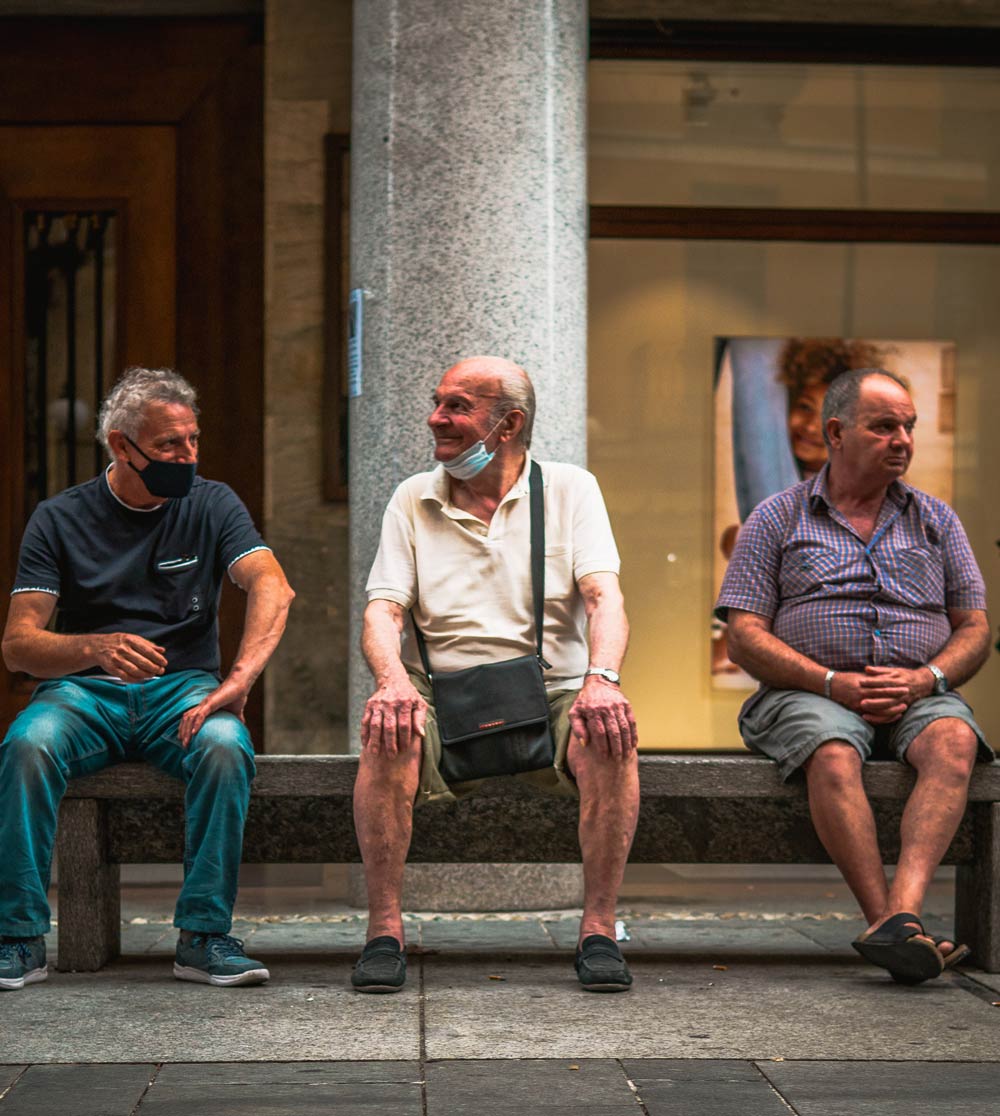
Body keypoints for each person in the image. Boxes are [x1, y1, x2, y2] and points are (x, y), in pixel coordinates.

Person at [0, 366, 294, 990]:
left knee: (224, 745)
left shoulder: (212, 503)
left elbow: (272, 583)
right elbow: (18, 646)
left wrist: (238, 681)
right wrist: (93, 648)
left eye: (191, 441)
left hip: (183, 689)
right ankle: (17, 938)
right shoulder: (58, 519)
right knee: (26, 744)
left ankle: (204, 936)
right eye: (168, 446)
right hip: (84, 694)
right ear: (119, 445)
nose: (185, 456)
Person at [352, 355, 639, 993]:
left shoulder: (569, 489)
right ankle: (383, 930)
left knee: (611, 732)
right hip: (439, 688)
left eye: (457, 407)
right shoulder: (412, 498)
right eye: (438, 402)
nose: (436, 418)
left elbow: (604, 598)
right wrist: (391, 680)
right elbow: (383, 609)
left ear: (507, 424)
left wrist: (603, 678)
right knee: (385, 730)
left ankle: (598, 928)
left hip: (553, 686)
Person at [716, 367, 992, 984]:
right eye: (884, 426)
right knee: (834, 750)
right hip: (810, 692)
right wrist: (829, 682)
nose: (902, 440)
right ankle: (887, 922)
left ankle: (902, 917)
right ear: (837, 433)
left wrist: (927, 680)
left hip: (916, 691)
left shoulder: (936, 520)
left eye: (909, 427)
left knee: (955, 740)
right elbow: (744, 635)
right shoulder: (776, 517)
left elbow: (974, 628)